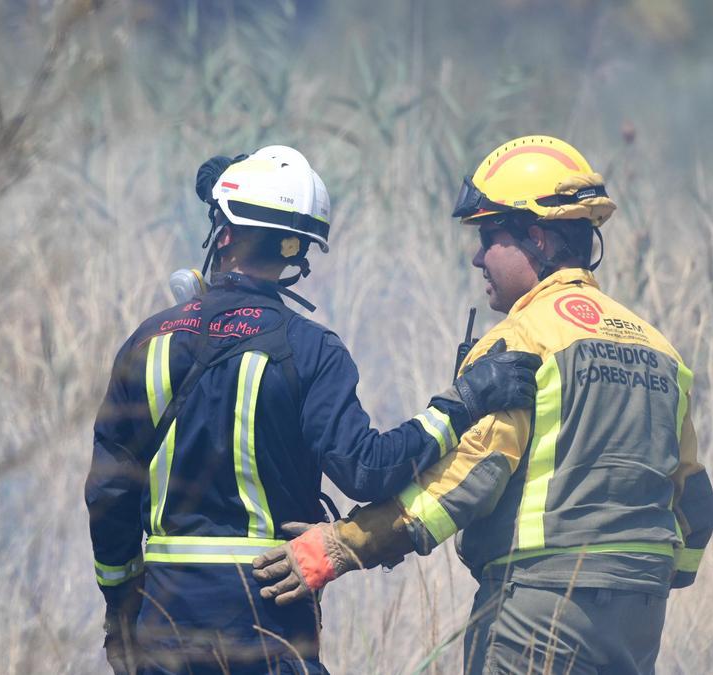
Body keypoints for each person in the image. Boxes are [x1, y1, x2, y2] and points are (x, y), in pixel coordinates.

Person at [253, 136, 713, 675]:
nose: (478, 256)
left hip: (539, 609)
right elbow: (694, 502)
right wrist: (660, 574)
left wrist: (341, 546)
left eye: (490, 235)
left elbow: (467, 481)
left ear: (537, 237)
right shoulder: (659, 348)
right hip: (641, 615)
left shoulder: (524, 339)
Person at [84, 145, 543, 675]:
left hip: (164, 623)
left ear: (224, 233)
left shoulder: (147, 342)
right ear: (297, 252)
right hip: (269, 615)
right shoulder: (311, 349)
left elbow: (108, 493)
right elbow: (367, 470)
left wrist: (121, 606)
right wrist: (462, 404)